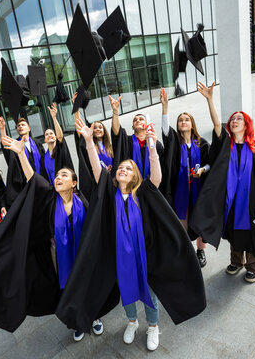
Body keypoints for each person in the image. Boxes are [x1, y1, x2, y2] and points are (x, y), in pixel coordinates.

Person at [55, 117, 206, 352]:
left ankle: (153, 326)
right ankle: (132, 322)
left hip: (144, 253)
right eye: (121, 168)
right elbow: (96, 168)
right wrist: (88, 141)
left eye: (129, 168)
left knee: (150, 293)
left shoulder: (143, 192)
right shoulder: (109, 192)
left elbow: (156, 177)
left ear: (135, 175)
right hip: (119, 255)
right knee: (126, 291)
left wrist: (153, 146)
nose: (123, 170)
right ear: (115, 174)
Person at [0, 134, 111, 340]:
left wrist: (88, 142)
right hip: (57, 255)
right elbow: (33, 178)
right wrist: (21, 153)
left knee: (88, 283)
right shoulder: (50, 198)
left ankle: (94, 316)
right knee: (67, 285)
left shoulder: (83, 201)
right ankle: (75, 321)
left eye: (64, 176)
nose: (58, 178)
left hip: (84, 252)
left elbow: (99, 189)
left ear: (74, 183)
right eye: (57, 175)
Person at [189, 82, 255, 283]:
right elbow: (217, 125)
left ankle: (253, 265)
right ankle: (236, 261)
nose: (235, 120)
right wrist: (210, 100)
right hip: (230, 199)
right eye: (233, 119)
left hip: (252, 200)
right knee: (234, 231)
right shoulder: (224, 147)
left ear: (246, 125)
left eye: (240, 119)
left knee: (253, 232)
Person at [159, 87, 211, 268]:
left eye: (186, 119)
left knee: (198, 218)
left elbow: (210, 162)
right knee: (182, 218)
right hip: (179, 188)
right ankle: (184, 251)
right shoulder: (174, 141)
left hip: (198, 187)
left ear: (192, 123)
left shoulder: (201, 143)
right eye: (180, 120)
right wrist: (165, 107)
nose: (183, 122)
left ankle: (200, 249)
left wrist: (203, 170)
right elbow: (165, 131)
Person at [109, 95, 165, 193]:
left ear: (147, 124)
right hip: (129, 188)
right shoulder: (127, 141)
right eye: (135, 120)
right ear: (132, 126)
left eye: (141, 119)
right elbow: (116, 131)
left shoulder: (156, 145)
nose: (137, 120)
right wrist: (115, 111)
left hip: (150, 188)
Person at [72, 92, 114, 201]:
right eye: (95, 128)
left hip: (110, 182)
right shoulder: (89, 145)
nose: (98, 129)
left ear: (104, 131)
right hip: (96, 183)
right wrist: (76, 108)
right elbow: (79, 129)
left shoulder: (109, 147)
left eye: (100, 127)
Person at [0, 115, 46, 207]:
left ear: (29, 128)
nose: (20, 127)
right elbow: (5, 144)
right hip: (24, 185)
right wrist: (2, 129)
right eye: (18, 126)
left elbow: (45, 161)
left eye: (23, 125)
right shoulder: (15, 145)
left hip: (41, 181)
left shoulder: (37, 143)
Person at [44, 102, 75, 185]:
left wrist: (54, 118)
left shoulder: (60, 149)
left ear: (55, 136)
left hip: (65, 186)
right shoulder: (45, 156)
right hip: (54, 189)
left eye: (51, 133)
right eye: (46, 134)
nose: (49, 135)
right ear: (45, 140)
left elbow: (60, 137)